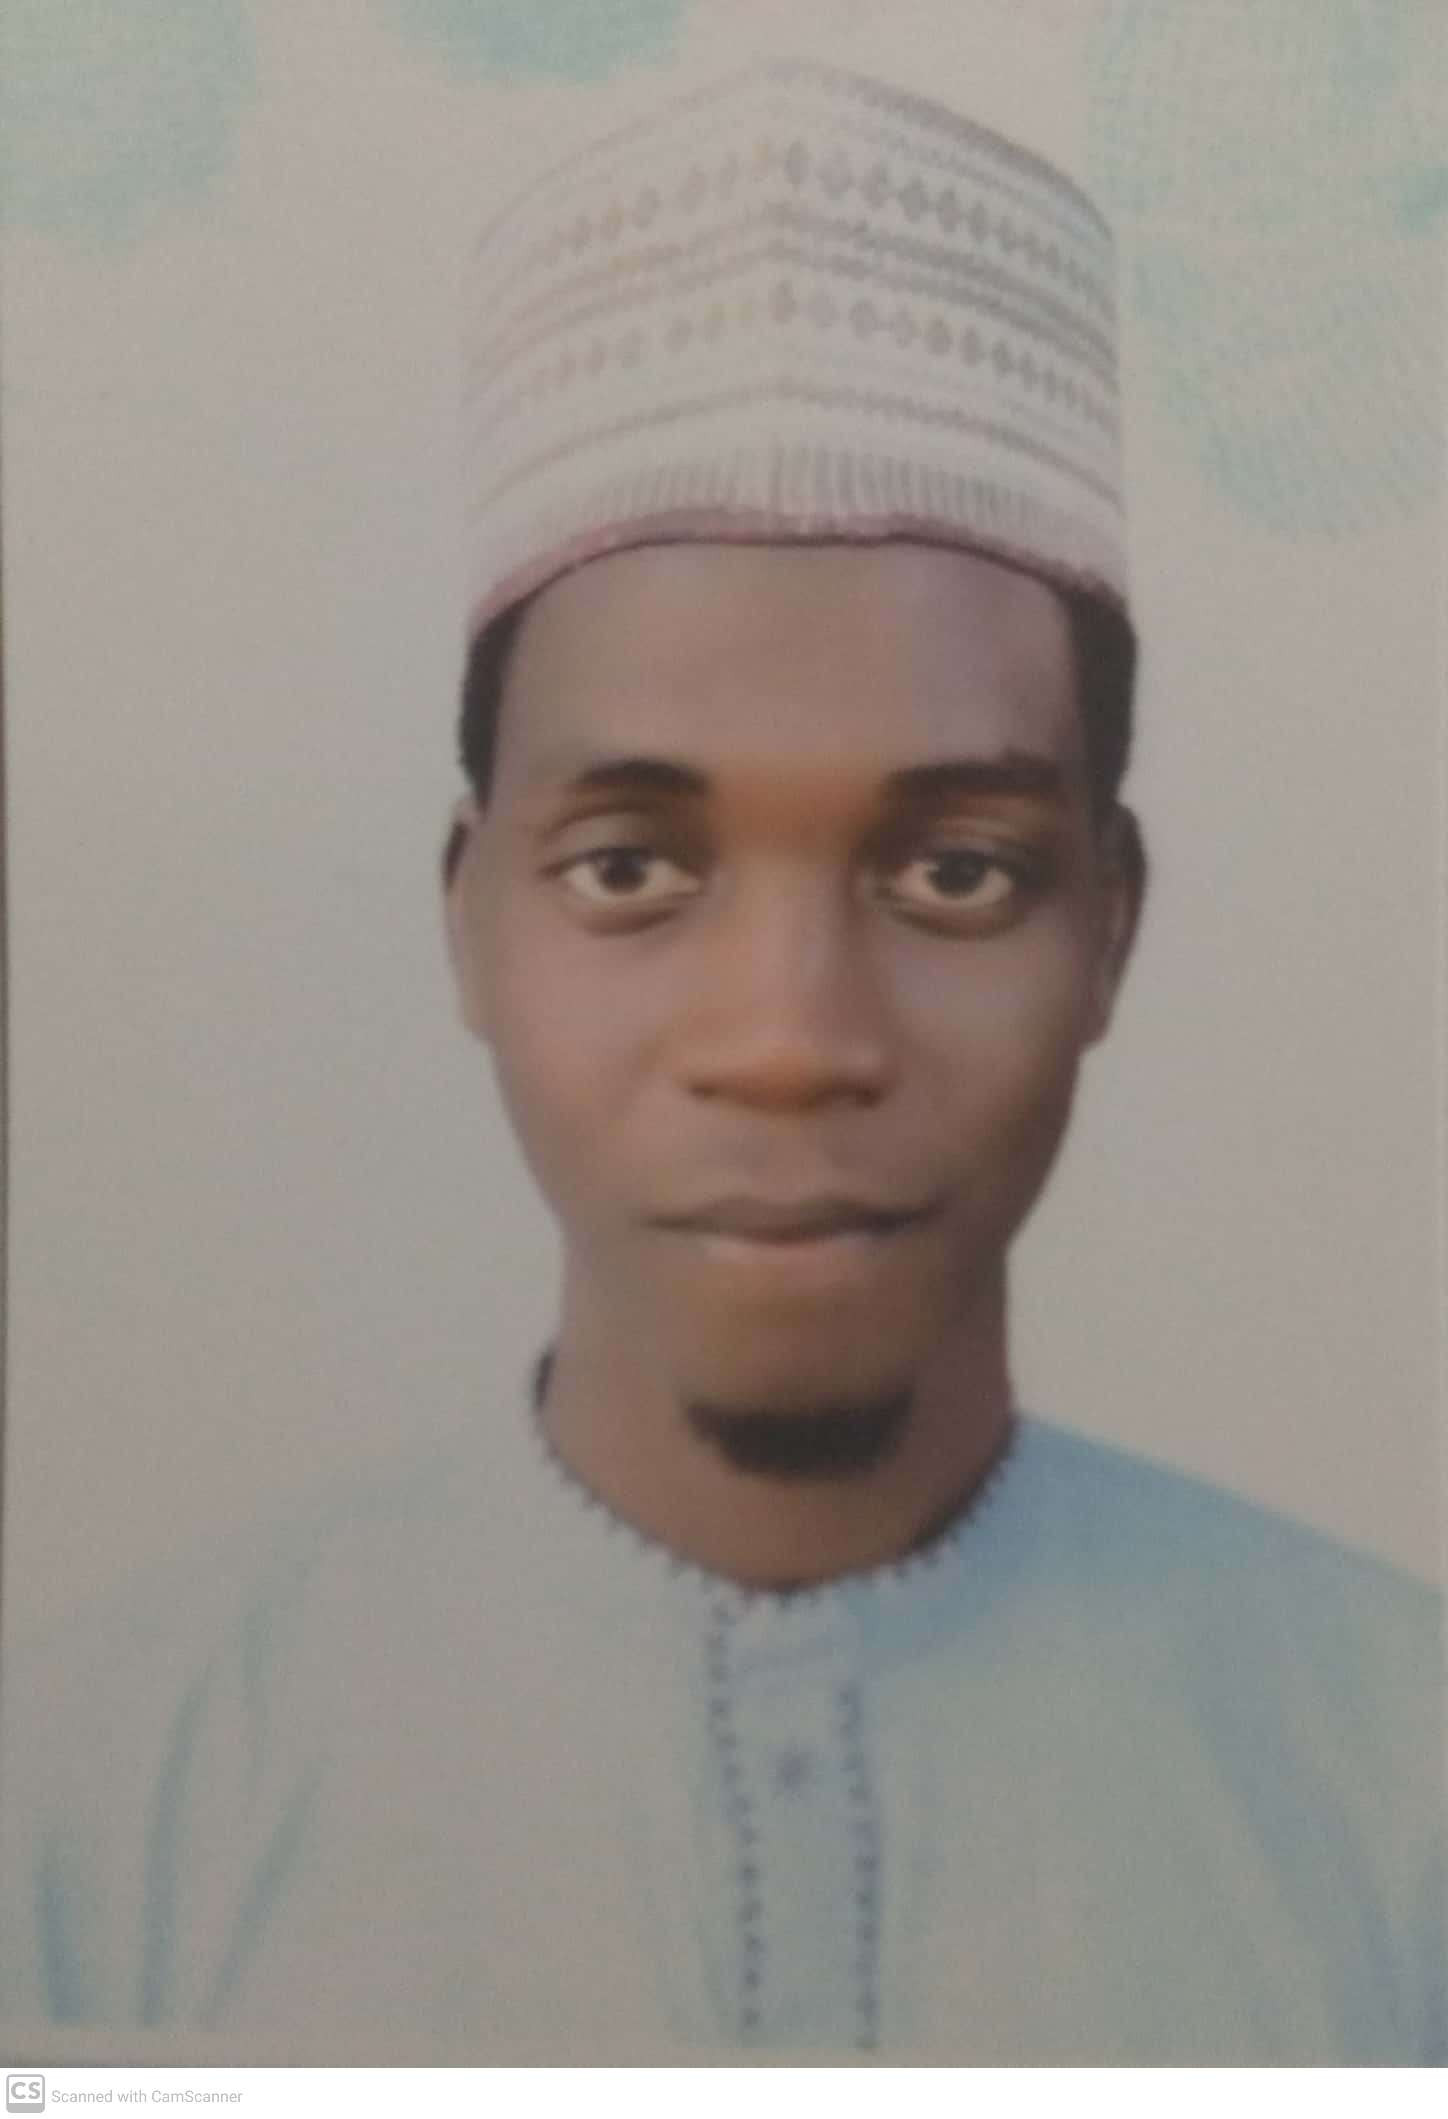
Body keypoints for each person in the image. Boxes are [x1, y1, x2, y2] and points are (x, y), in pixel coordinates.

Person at [1, 56, 1443, 2065]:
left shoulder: (1398, 1795)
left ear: (1111, 923)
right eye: (630, 868)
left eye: (954, 871)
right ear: (468, 919)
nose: (788, 1040)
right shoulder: (88, 1826)